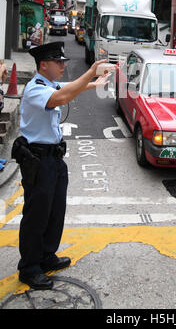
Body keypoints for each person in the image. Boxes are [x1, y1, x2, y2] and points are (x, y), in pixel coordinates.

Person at [11, 42, 111, 290]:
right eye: (59, 62)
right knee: (37, 215)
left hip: (54, 159)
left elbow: (67, 88)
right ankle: (29, 267)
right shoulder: (35, 89)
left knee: (55, 212)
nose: (63, 65)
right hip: (37, 160)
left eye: (64, 61)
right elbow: (62, 96)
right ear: (43, 65)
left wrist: (93, 84)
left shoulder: (49, 84)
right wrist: (91, 72)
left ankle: (46, 256)